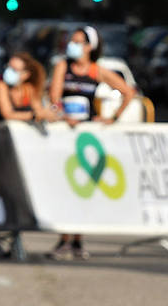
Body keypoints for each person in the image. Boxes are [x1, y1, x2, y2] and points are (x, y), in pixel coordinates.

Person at [48, 26, 140, 260]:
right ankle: (64, 238)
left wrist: (113, 117)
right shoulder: (63, 67)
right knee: (64, 187)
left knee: (81, 187)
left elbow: (128, 92)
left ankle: (77, 240)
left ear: (90, 47)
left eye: (79, 42)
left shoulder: (96, 70)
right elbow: (54, 98)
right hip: (65, 132)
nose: (74, 45)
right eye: (73, 41)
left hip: (85, 134)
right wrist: (60, 115)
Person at [0, 51, 56, 123]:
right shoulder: (1, 85)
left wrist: (48, 114)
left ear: (26, 75)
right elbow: (7, 114)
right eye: (8, 67)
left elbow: (39, 110)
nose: (8, 71)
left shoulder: (29, 88)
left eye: (14, 70)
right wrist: (34, 115)